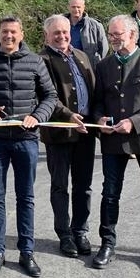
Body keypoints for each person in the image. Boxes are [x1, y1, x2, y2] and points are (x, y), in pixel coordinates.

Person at [0, 15, 57, 278]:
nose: (9, 36)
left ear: (22, 34)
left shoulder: (35, 61)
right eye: (5, 32)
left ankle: (27, 252)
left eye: (14, 32)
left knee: (26, 198)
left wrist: (37, 116)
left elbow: (50, 95)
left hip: (26, 139)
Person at [90, 15, 140, 272]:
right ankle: (107, 244)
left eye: (117, 35)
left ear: (133, 35)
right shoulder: (103, 66)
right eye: (110, 35)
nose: (112, 39)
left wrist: (133, 123)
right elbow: (98, 101)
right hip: (114, 140)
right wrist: (99, 117)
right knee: (110, 193)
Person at [39, 15, 96, 258]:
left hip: (86, 132)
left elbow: (93, 90)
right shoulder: (42, 60)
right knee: (60, 185)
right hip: (59, 132)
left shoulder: (81, 56)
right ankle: (64, 234)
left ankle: (80, 230)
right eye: (56, 33)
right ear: (46, 36)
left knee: (83, 186)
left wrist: (97, 119)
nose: (62, 36)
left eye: (65, 32)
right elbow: (46, 95)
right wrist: (69, 115)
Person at [65, 0, 108, 69]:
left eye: (78, 7)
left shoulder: (95, 25)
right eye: (73, 7)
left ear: (84, 7)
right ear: (68, 7)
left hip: (88, 67)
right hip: (66, 65)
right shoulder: (60, 23)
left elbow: (104, 48)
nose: (76, 9)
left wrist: (97, 63)